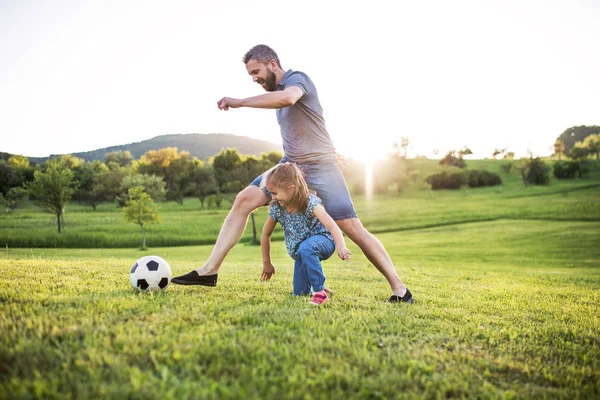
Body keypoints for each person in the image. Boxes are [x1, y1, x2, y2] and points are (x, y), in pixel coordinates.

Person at [172, 44, 414, 303]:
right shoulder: (275, 92)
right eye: (251, 75)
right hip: (291, 165)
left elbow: (288, 98)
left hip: (320, 166)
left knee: (350, 226)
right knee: (244, 200)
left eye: (256, 71)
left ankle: (400, 289)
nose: (255, 78)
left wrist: (240, 102)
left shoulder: (297, 79)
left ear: (272, 63)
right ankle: (209, 271)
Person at [260, 162, 351, 305]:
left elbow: (331, 225)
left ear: (291, 189)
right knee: (299, 293)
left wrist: (341, 246)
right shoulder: (277, 209)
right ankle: (317, 287)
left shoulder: (310, 202)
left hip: (324, 240)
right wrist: (267, 263)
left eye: (275, 193)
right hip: (302, 252)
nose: (273, 198)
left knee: (306, 248)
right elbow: (265, 234)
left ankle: (320, 292)